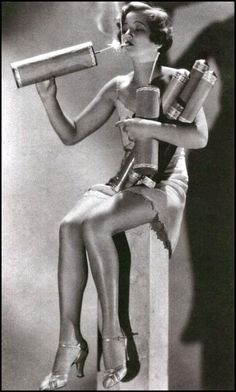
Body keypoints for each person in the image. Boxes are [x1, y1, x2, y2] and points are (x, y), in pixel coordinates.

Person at [37, 2, 208, 390]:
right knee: (69, 226)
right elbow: (70, 134)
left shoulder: (181, 79)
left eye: (137, 29)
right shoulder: (117, 88)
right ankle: (69, 340)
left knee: (96, 224)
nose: (126, 35)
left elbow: (198, 137)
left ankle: (114, 337)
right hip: (125, 182)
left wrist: (147, 127)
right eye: (123, 28)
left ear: (158, 40)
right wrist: (49, 98)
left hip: (165, 184)